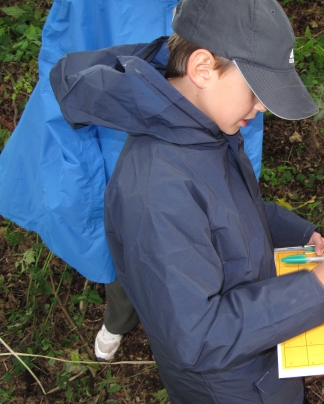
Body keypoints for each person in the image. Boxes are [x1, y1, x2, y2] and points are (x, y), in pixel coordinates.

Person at [50, 0, 324, 404]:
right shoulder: (157, 188)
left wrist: (298, 233)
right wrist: (312, 292)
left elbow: (231, 209)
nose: (261, 107)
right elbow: (196, 334)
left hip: (255, 368)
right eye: (256, 90)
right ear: (203, 68)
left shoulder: (202, 129)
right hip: (239, 401)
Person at [0, 0, 264, 362]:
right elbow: (71, 63)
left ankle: (198, 315)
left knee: (202, 237)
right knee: (129, 234)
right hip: (122, 126)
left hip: (209, 112)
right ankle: (120, 316)